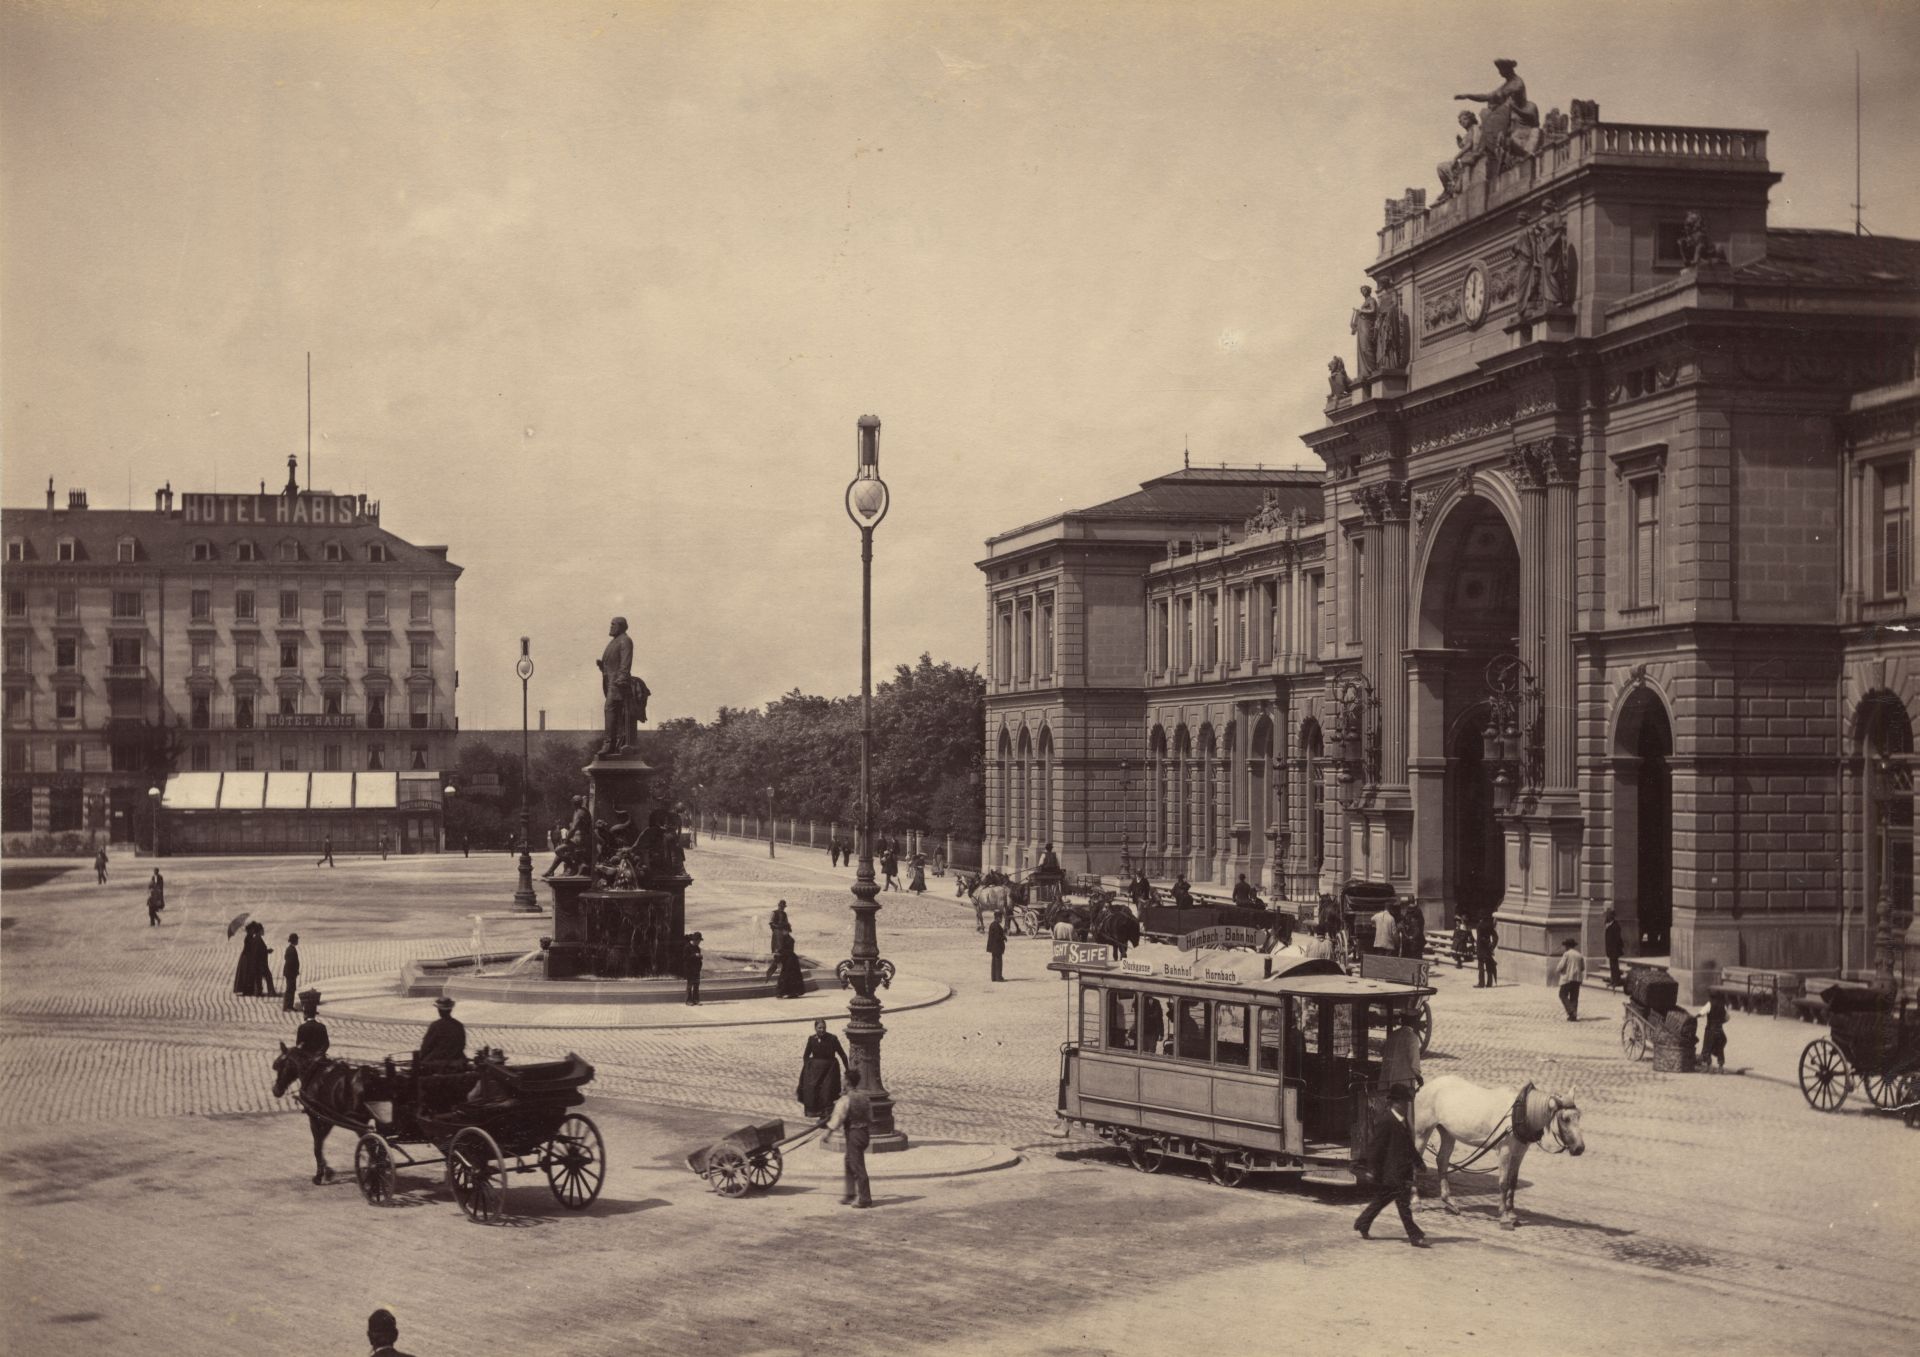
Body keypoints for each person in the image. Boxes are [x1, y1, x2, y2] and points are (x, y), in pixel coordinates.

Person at [1354, 1083, 1428, 1247]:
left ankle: (1363, 1222)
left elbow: (1409, 1146)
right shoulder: (1386, 1121)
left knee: (1382, 1199)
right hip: (1393, 1172)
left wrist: (1419, 1163)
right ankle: (1415, 1236)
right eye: (1404, 1102)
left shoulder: (1402, 1121)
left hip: (1401, 1171)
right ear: (1396, 1103)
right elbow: (1376, 1147)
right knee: (1404, 1206)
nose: (1407, 1106)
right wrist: (1371, 1169)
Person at [822, 1065, 873, 1208]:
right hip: (864, 1133)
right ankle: (850, 1194)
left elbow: (837, 1118)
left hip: (854, 1134)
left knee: (857, 1165)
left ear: (847, 1082)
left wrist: (827, 1134)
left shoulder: (845, 1100)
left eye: (843, 1079)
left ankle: (865, 1199)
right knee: (849, 1161)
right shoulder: (864, 1097)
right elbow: (870, 1116)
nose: (842, 1081)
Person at [797, 1018, 848, 1120]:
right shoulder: (812, 1039)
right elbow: (806, 1055)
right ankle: (818, 1113)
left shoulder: (832, 1039)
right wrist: (807, 1069)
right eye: (820, 1028)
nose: (822, 1030)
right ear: (815, 1028)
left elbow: (842, 1054)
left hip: (830, 1070)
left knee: (827, 1091)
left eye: (824, 1027)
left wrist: (847, 1068)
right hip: (816, 1070)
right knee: (813, 1089)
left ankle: (826, 1115)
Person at [1379, 1008, 1423, 1090]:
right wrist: (1419, 1077)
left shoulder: (1392, 1035)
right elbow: (1414, 1063)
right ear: (1414, 1022)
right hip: (1402, 1084)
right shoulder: (1412, 1037)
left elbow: (1382, 1051)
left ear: (1402, 1021)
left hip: (1386, 1081)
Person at [418, 997, 467, 1068]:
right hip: (457, 1060)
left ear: (439, 1011)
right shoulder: (459, 1025)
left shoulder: (436, 1025)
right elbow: (462, 1044)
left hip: (437, 1062)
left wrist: (420, 1058)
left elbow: (426, 1046)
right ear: (450, 1010)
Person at [1555, 937, 1585, 1021]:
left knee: (1562, 994)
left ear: (1567, 946)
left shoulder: (1567, 954)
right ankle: (1573, 1016)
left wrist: (1558, 970)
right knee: (1574, 997)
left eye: (1565, 946)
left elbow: (1561, 966)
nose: (1564, 947)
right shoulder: (1579, 954)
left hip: (1567, 978)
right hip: (1577, 979)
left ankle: (1571, 1011)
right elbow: (1582, 968)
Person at [294, 989, 329, 1055]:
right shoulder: (321, 1027)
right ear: (314, 1014)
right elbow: (326, 1044)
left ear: (305, 1015)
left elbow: (299, 1044)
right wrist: (319, 1053)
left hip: (306, 1057)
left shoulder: (302, 1027)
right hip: (319, 1057)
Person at [1700, 993, 1729, 1071]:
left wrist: (1695, 1016)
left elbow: (1702, 1013)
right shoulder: (1723, 1005)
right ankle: (1721, 1066)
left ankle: (1707, 1066)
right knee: (1720, 1048)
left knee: (1707, 1047)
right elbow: (1727, 1018)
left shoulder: (1710, 1003)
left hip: (1710, 1029)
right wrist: (1720, 1022)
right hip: (1719, 1029)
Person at [775, 933, 806, 999]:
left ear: (786, 931)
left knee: (787, 975)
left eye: (783, 930)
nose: (782, 932)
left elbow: (786, 950)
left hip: (790, 960)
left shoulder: (788, 939)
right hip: (789, 959)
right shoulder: (787, 938)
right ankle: (788, 993)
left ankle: (784, 993)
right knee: (789, 976)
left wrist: (779, 953)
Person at [281, 932, 302, 1011]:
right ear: (294, 940)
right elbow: (291, 963)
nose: (298, 941)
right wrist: (295, 971)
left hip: (290, 973)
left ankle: (289, 1006)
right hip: (290, 973)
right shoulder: (291, 950)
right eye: (297, 940)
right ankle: (287, 1006)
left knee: (291, 989)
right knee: (290, 989)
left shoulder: (290, 948)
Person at [1476, 917, 1499, 988]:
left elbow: (1479, 938)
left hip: (1481, 948)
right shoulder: (1489, 926)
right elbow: (1496, 937)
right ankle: (1489, 983)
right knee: (1489, 965)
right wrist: (1492, 946)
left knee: (1481, 966)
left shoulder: (1479, 925)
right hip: (1487, 948)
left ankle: (1481, 983)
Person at [1603, 909, 1624, 987]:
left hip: (1614, 950)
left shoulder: (1615, 926)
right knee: (1612, 966)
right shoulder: (1609, 925)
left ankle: (1616, 981)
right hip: (1610, 950)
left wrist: (1615, 950)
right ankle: (1613, 980)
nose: (1606, 917)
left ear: (1611, 916)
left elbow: (1617, 939)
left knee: (1614, 966)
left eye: (1607, 915)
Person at [986, 911, 1007, 983]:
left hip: (993, 947)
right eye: (1001, 918)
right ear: (997, 918)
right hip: (997, 947)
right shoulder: (996, 926)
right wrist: (1004, 937)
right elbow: (998, 937)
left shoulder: (993, 925)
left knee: (994, 962)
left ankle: (994, 977)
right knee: (998, 962)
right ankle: (998, 977)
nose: (1001, 919)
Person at [684, 932, 703, 1005]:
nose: (699, 942)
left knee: (696, 985)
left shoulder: (697, 948)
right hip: (689, 969)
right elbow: (685, 958)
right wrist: (694, 955)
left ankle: (696, 1000)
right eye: (699, 941)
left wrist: (700, 957)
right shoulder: (687, 947)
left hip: (696, 969)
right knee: (690, 985)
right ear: (695, 940)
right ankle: (688, 1001)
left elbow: (698, 959)